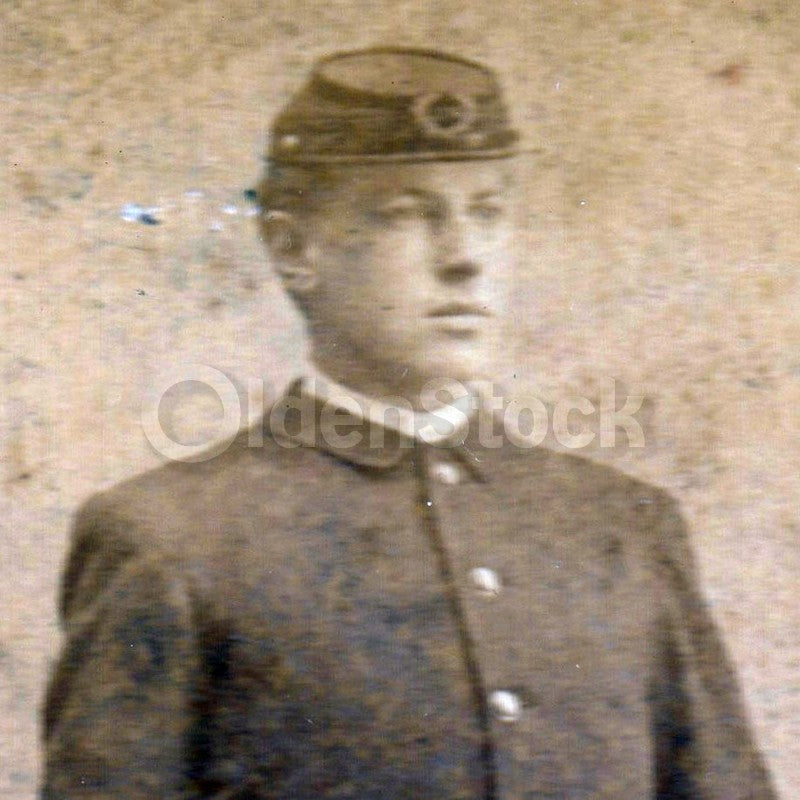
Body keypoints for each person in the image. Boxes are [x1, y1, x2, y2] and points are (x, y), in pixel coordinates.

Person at [43, 47, 776, 799]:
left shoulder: (623, 527)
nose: (464, 258)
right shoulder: (173, 538)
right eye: (405, 214)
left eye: (486, 211)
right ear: (295, 250)